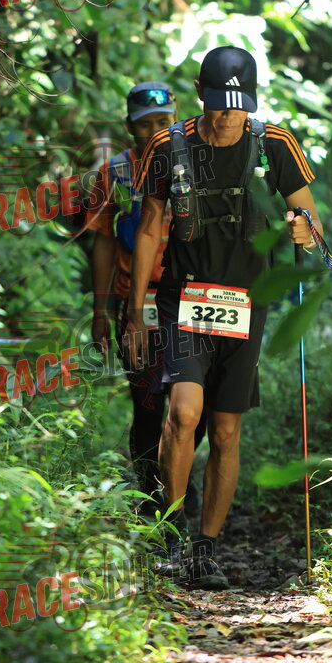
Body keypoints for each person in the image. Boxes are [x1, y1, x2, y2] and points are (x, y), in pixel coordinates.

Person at [125, 46, 324, 588]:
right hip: (184, 298)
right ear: (199, 94)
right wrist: (134, 310)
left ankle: (205, 550)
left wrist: (304, 230)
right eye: (218, 105)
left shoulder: (275, 144)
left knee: (226, 429)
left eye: (238, 106)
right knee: (183, 414)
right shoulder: (168, 147)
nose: (228, 116)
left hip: (246, 303)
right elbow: (150, 228)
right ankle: (171, 536)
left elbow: (311, 223)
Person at [87, 82, 206, 517]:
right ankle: (152, 496)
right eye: (145, 124)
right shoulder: (115, 174)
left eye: (163, 121)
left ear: (176, 119)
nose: (155, 131)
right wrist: (102, 310)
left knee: (193, 403)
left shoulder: (199, 164)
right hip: (139, 302)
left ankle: (179, 478)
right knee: (148, 403)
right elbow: (103, 242)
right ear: (129, 127)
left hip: (194, 297)